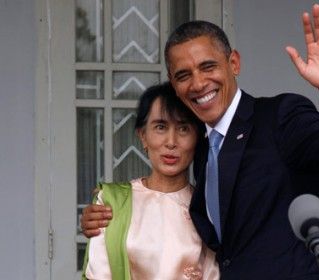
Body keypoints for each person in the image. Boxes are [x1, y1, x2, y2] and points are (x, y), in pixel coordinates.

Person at [81, 4, 319, 279]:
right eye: (184, 75)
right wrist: (107, 218)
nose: (198, 83)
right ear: (174, 84)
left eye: (208, 67)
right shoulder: (199, 148)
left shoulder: (280, 116)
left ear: (233, 63)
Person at [81, 82, 219, 280]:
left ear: (197, 138)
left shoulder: (209, 209)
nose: (171, 142)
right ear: (143, 136)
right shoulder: (112, 202)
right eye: (161, 127)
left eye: (184, 128)